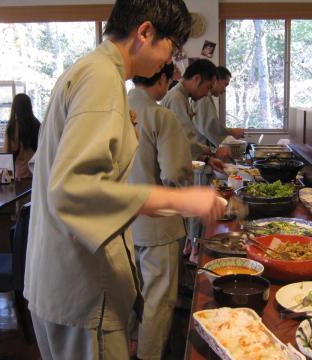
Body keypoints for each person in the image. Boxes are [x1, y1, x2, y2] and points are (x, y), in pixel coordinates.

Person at [23, 1, 224, 359]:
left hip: (55, 278)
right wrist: (179, 200)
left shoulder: (85, 69)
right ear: (144, 33)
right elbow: (72, 190)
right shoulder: (102, 78)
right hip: (83, 285)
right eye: (171, 49)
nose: (169, 62)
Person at [127, 63, 191, 360]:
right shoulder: (159, 115)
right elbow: (173, 173)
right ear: (163, 79)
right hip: (157, 225)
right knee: (158, 300)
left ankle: (127, 349)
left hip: (121, 225)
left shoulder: (114, 112)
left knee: (129, 297)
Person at [160, 58, 230, 171]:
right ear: (197, 79)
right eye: (208, 87)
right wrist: (213, 151)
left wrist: (207, 159)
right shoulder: (176, 98)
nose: (207, 93)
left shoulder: (182, 97)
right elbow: (186, 139)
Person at [192, 66, 244, 149]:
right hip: (198, 151)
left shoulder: (206, 97)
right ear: (216, 80)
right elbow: (209, 127)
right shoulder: (203, 98)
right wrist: (232, 132)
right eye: (225, 85)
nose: (224, 90)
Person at [4, 93, 40, 179]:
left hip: (19, 173)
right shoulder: (37, 124)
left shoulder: (12, 127)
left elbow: (7, 153)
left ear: (14, 108)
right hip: (36, 170)